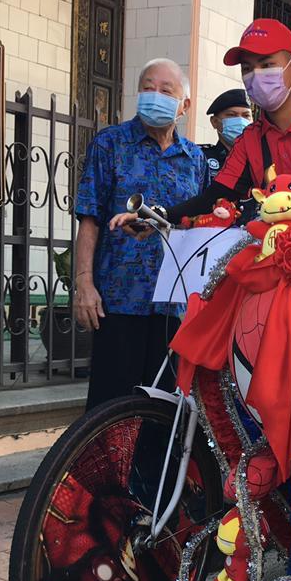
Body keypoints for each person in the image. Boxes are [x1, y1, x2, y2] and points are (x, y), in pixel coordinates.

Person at [108, 18, 291, 231]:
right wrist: (157, 215)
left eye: (267, 65)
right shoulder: (250, 139)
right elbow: (214, 198)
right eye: (247, 69)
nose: (256, 76)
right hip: (273, 263)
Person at [73, 58, 206, 410]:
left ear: (184, 105)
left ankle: (153, 468)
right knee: (109, 412)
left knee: (163, 414)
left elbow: (203, 224)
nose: (155, 95)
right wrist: (84, 284)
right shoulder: (110, 144)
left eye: (166, 90)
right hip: (118, 300)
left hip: (174, 309)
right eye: (148, 87)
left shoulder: (195, 159)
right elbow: (89, 216)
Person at [200, 88, 251, 187]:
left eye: (246, 115)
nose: (240, 120)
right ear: (214, 122)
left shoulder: (258, 159)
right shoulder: (200, 157)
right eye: (232, 115)